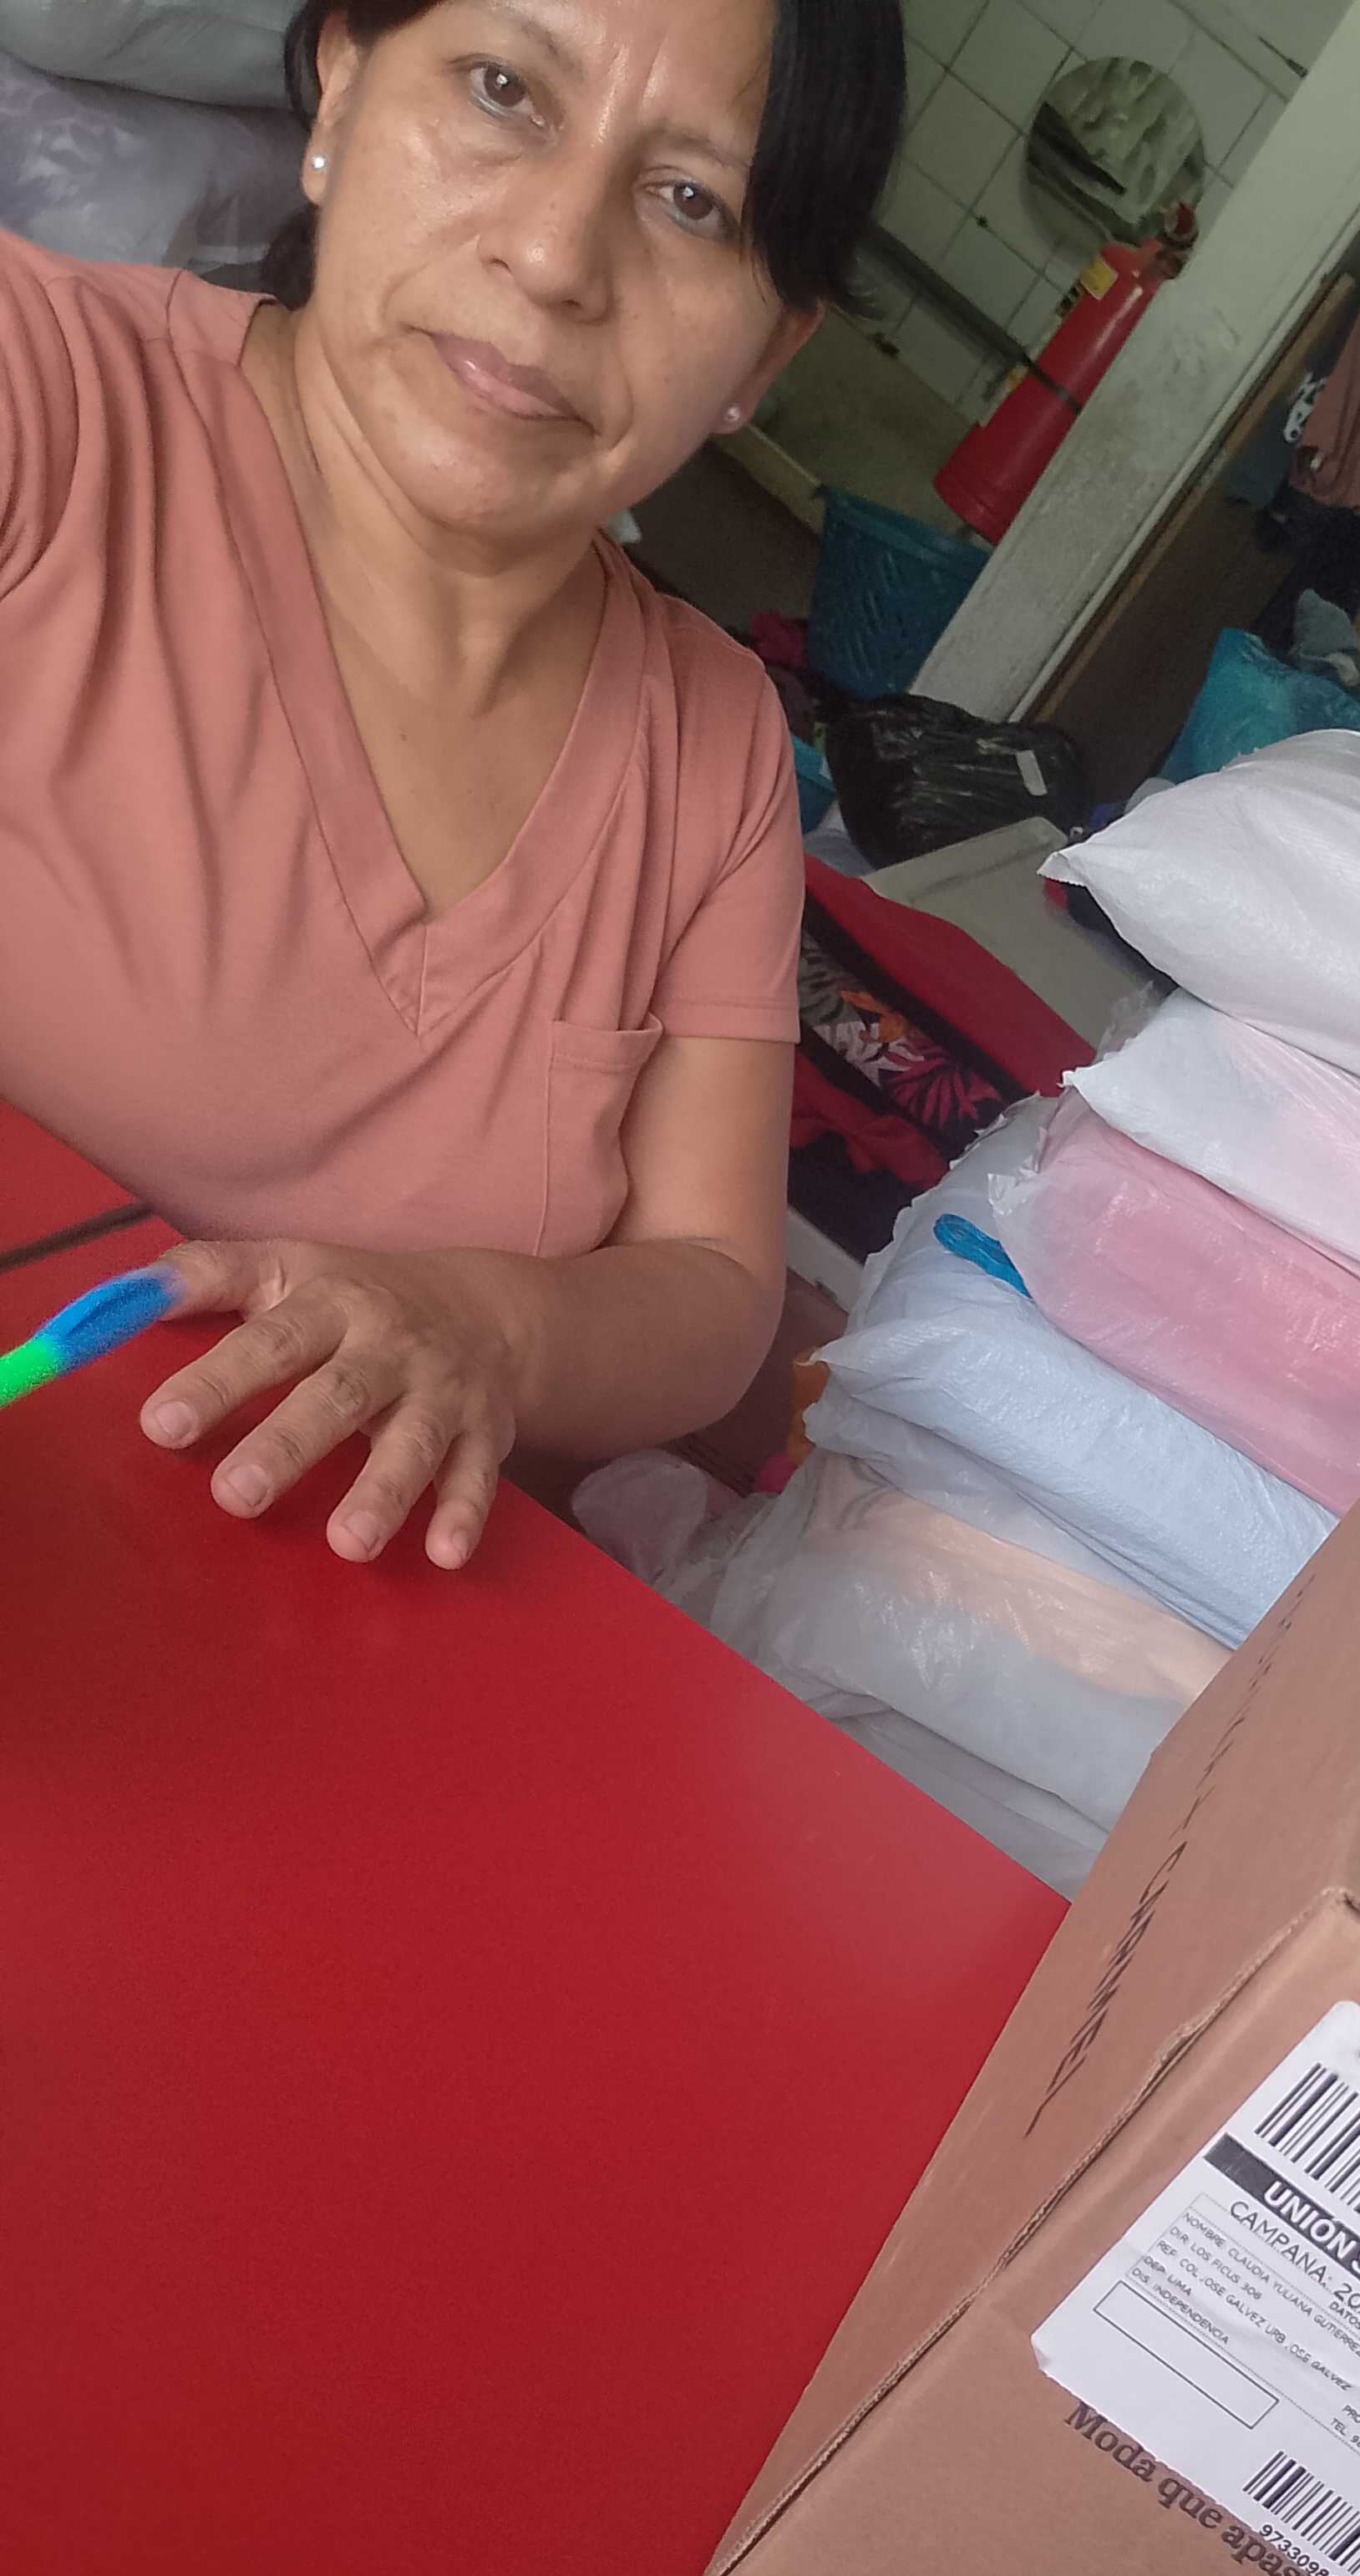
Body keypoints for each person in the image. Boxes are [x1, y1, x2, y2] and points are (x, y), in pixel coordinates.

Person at [0, 0, 899, 1564]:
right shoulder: (47, 413)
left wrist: (493, 1323)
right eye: (502, 92)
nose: (554, 260)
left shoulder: (713, 747)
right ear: (342, 82)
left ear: (767, 350)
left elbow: (710, 1283)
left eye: (693, 200)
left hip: (347, 1648)